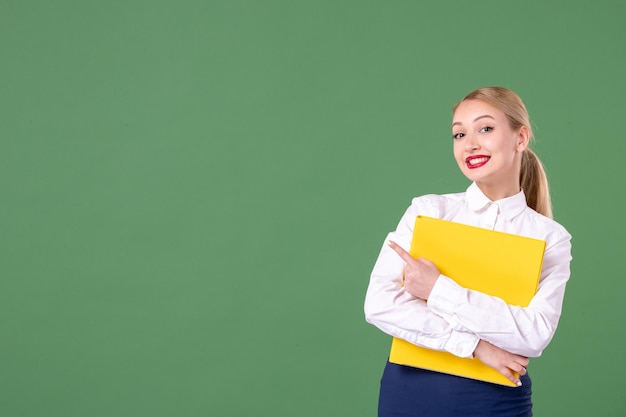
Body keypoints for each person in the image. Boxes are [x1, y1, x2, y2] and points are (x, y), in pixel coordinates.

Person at [364, 86, 572, 417]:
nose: (469, 144)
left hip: (493, 400)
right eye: (459, 134)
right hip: (409, 393)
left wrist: (437, 290)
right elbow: (379, 305)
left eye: (485, 129)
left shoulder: (549, 238)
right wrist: (476, 347)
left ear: (520, 138)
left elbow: (532, 335)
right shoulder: (429, 212)